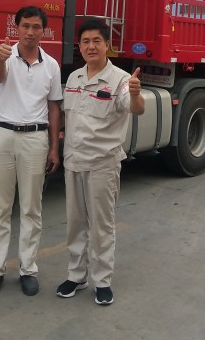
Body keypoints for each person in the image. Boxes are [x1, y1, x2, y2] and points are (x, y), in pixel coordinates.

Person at [56, 17, 144, 306]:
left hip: (102, 165)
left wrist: (136, 94)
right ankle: (76, 275)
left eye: (97, 41)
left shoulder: (121, 80)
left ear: (107, 44)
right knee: (75, 224)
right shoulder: (74, 78)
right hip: (73, 162)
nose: (91, 46)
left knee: (101, 226)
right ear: (79, 46)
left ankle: (102, 280)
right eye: (85, 41)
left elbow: (135, 108)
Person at [0, 6, 62, 297]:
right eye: (25, 26)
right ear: (17, 27)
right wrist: (2, 59)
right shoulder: (4, 55)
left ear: (44, 30)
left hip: (35, 138)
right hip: (2, 135)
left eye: (36, 27)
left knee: (31, 207)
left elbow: (54, 107)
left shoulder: (51, 65)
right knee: (0, 207)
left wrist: (54, 147)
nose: (30, 32)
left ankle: (28, 269)